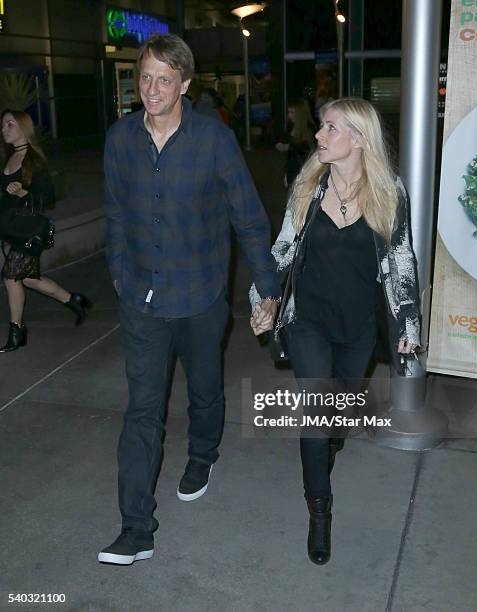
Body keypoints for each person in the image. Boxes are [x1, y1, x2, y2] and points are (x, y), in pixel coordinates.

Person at [99, 33, 279, 565]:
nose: (151, 88)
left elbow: (248, 217)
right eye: (145, 76)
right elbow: (113, 214)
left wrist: (266, 288)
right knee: (142, 412)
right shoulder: (119, 140)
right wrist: (119, 272)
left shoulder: (213, 141)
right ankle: (136, 527)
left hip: (200, 296)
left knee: (204, 390)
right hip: (141, 302)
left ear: (184, 84)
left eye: (163, 78)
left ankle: (202, 456)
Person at [250, 97, 420, 565]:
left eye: (330, 129)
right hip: (309, 320)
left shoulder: (389, 192)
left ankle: (333, 434)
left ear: (359, 139)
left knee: (338, 408)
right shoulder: (307, 187)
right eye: (322, 128)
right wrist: (263, 300)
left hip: (359, 325)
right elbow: (281, 251)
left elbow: (401, 259)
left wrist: (407, 322)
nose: (319, 136)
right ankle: (319, 513)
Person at [0, 110, 91, 353]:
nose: (4, 129)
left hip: (30, 230)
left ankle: (17, 331)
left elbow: (48, 198)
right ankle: (73, 301)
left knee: (11, 277)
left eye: (10, 124)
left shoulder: (34, 160)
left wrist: (23, 193)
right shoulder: (8, 158)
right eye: (3, 125)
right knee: (28, 278)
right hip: (14, 229)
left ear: (23, 127)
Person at [275, 98, 316, 188]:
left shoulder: (309, 129)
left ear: (300, 114)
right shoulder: (292, 127)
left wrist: (289, 147)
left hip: (304, 173)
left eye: (292, 112)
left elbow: (310, 150)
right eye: (289, 112)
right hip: (293, 171)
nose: (289, 116)